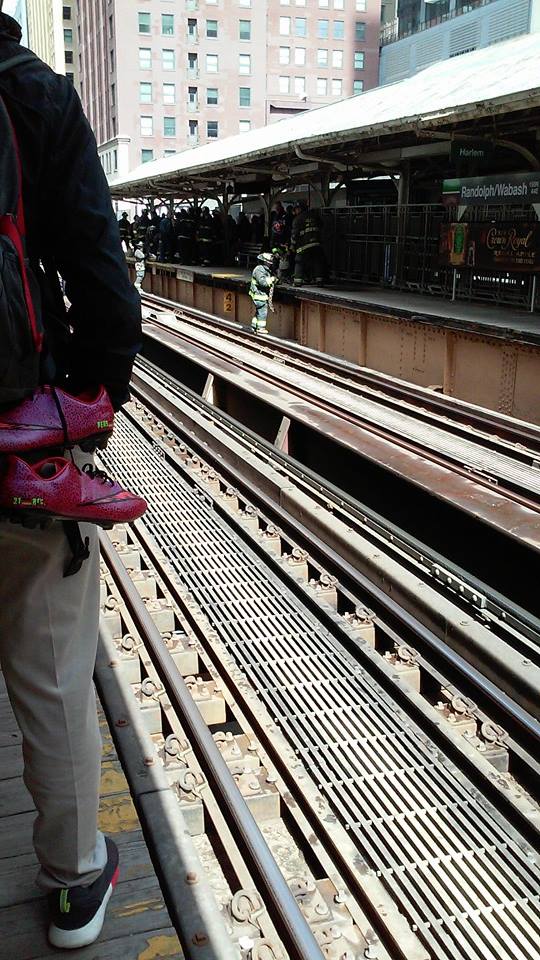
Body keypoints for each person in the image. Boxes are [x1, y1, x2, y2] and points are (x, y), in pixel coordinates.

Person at [0, 6, 142, 950]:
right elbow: (102, 281)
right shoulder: (30, 93)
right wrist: (80, 400)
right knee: (54, 676)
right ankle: (75, 882)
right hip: (15, 450)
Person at [290, 199, 326, 286]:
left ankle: (297, 282)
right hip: (317, 244)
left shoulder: (297, 219)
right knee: (317, 262)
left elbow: (295, 235)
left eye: (296, 209)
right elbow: (321, 226)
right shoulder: (315, 215)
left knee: (299, 261)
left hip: (304, 245)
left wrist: (292, 246)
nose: (295, 211)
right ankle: (319, 281)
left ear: (299, 208)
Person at [248, 251, 277, 334]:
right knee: (262, 311)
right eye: (269, 262)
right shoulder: (259, 270)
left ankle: (254, 326)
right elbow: (263, 282)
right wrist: (272, 279)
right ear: (265, 261)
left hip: (259, 294)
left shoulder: (263, 269)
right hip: (258, 295)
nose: (270, 264)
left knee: (258, 311)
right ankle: (260, 328)